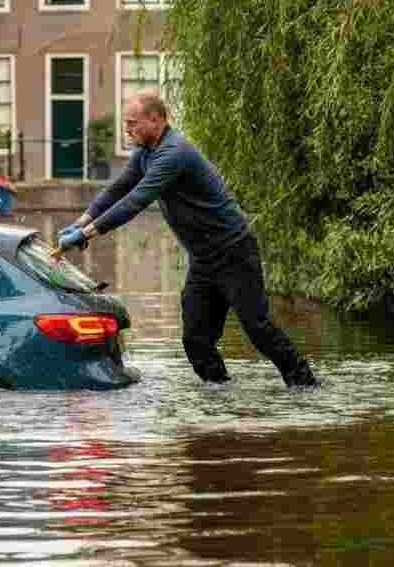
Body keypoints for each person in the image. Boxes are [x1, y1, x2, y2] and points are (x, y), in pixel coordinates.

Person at [58, 90, 319, 388]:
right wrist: (78, 223)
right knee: (196, 339)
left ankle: (305, 386)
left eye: (132, 124)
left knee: (257, 328)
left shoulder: (174, 152)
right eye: (125, 124)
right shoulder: (144, 153)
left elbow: (137, 200)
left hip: (233, 252)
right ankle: (219, 396)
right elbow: (117, 190)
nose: (127, 131)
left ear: (155, 120)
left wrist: (87, 234)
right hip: (204, 259)